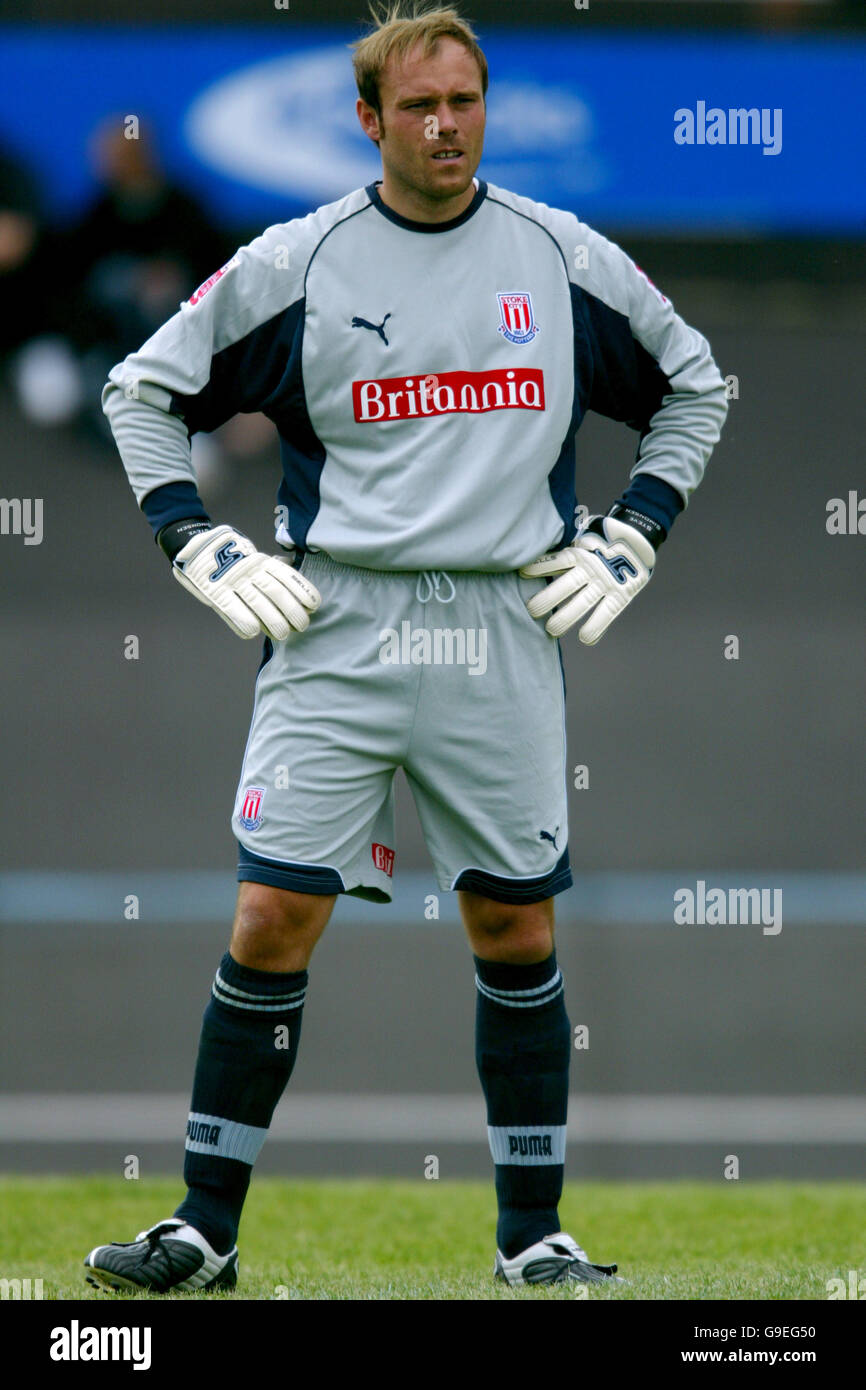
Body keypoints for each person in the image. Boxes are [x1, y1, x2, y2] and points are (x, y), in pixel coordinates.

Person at [84, 1, 727, 1294]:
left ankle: (531, 1237)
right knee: (272, 914)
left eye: (465, 102)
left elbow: (694, 381)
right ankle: (203, 1231)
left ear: (486, 108)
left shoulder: (557, 256)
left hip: (500, 619)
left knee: (512, 928)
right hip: (337, 620)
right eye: (420, 106)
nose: (446, 125)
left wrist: (634, 534)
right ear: (368, 121)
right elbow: (140, 389)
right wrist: (197, 541)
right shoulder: (299, 262)